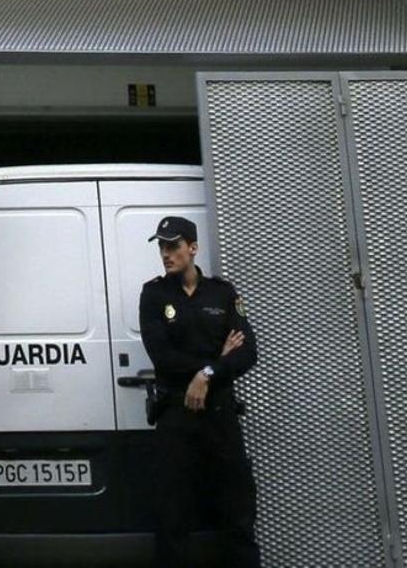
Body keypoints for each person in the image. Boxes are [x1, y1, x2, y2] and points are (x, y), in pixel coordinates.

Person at [138, 216, 260, 567]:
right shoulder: (154, 294)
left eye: (173, 245)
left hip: (220, 415)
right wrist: (215, 358)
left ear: (192, 248)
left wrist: (208, 373)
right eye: (161, 246)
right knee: (172, 515)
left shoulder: (223, 293)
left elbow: (248, 350)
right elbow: (161, 354)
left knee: (238, 512)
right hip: (176, 416)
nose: (166, 253)